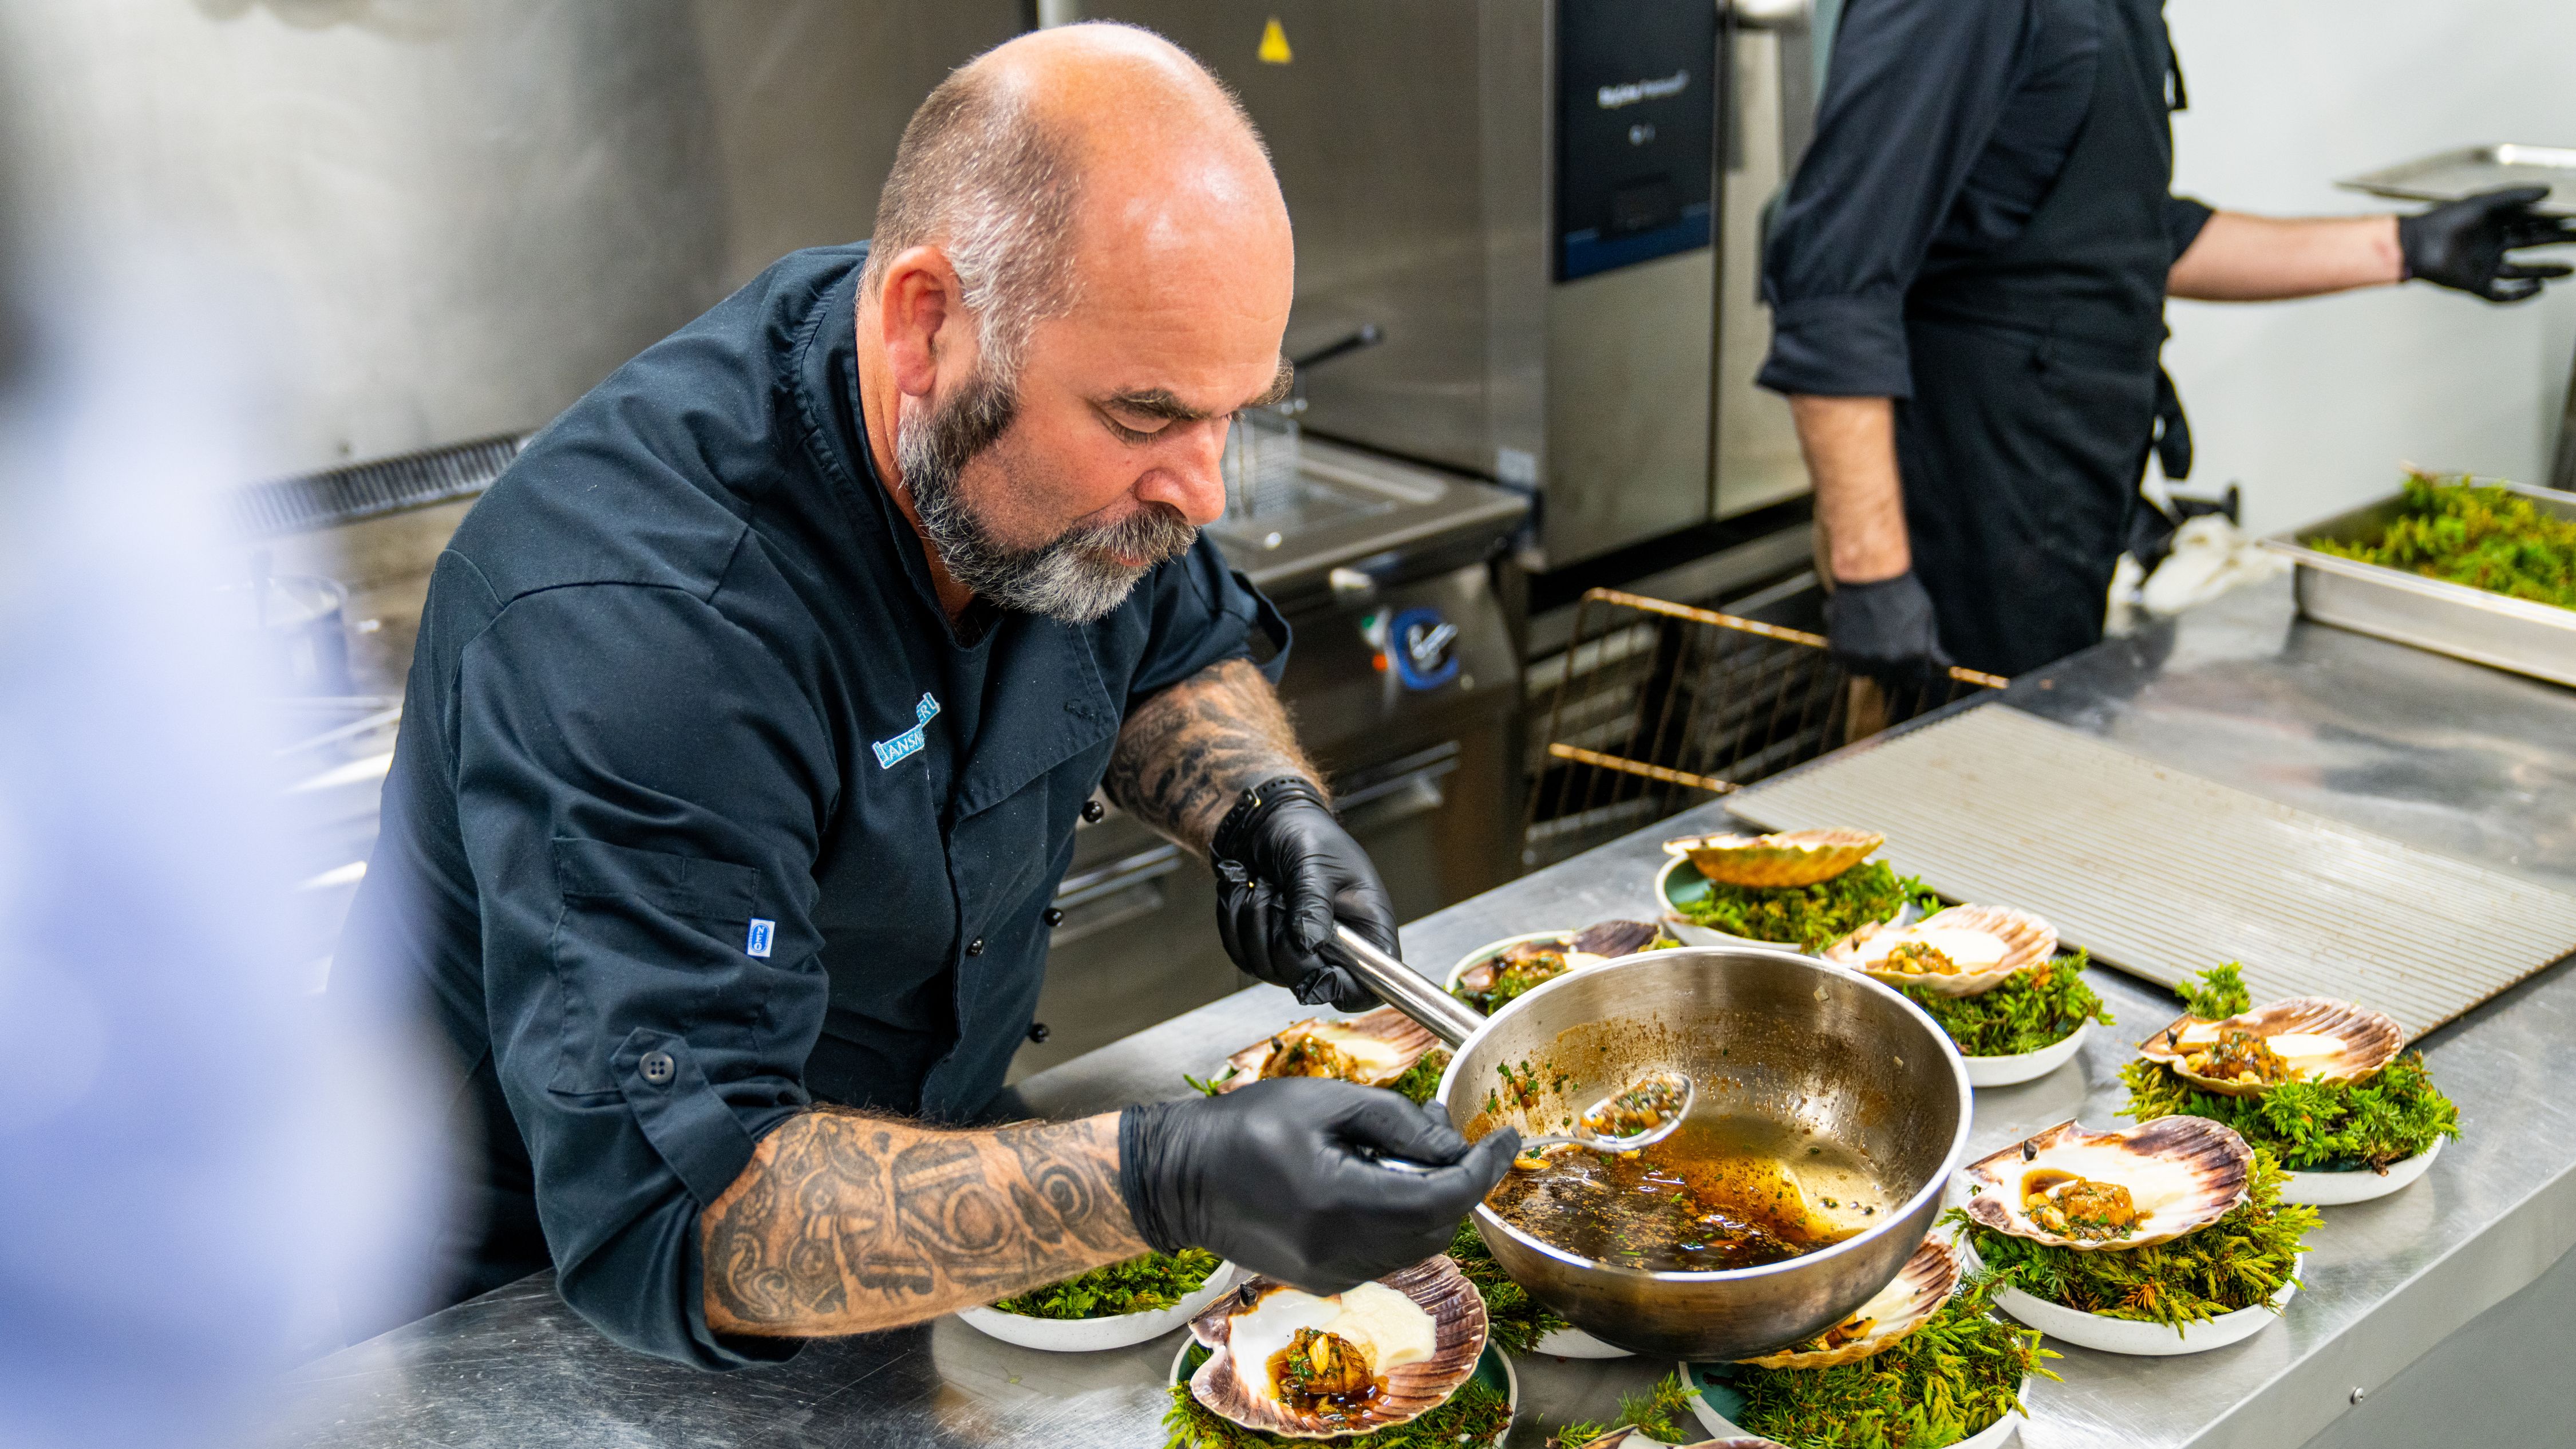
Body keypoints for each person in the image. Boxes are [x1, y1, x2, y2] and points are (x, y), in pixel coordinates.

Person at [336, 23, 1516, 1369]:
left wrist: (1262, 808)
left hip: (922, 1233)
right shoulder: (644, 629)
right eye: (1146, 420)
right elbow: (695, 1213)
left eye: (1233, 411)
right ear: (924, 328)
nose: (1205, 488)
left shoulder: (1040, 404)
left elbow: (1171, 636)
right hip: (527, 1337)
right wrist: (1166, 1179)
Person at [1761, 0, 2576, 679]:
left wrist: (2402, 246)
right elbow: (1831, 278)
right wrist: (1874, 574)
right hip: (1961, 515)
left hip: (2059, 508)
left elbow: (2121, 235)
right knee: (1936, 829)